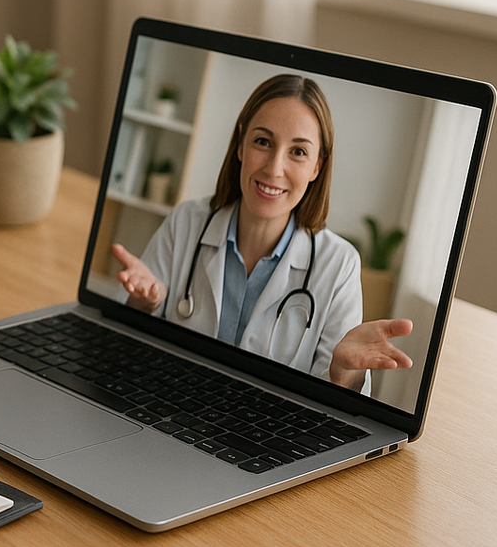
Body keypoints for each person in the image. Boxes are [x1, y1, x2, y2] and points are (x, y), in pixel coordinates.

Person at [110, 74, 411, 393]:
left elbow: (338, 408)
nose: (274, 168)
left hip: (266, 436)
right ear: (240, 144)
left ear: (317, 167)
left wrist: (345, 371)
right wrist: (142, 306)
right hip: (169, 404)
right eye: (263, 142)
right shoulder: (187, 220)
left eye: (298, 152)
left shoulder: (339, 263)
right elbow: (125, 350)